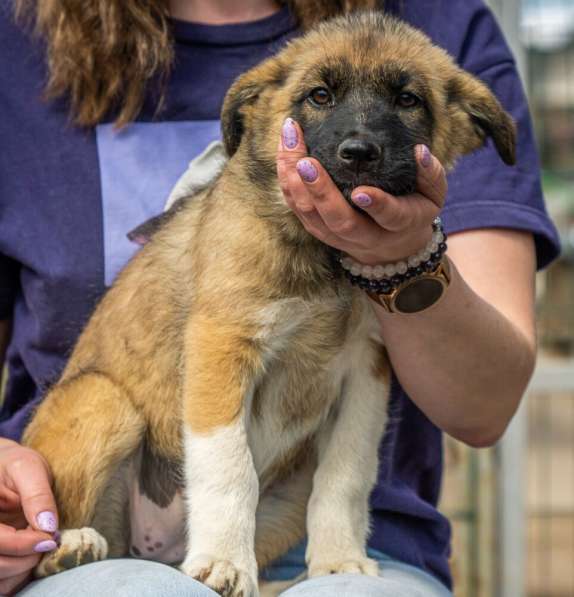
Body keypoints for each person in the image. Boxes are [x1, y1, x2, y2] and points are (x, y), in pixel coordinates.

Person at [0, 0, 560, 595]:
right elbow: (223, 345)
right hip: (96, 496)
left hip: (304, 527)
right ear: (257, 111)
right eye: (322, 96)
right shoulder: (16, 41)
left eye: (406, 101)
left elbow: (482, 405)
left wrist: (401, 260)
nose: (360, 139)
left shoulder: (441, 22)